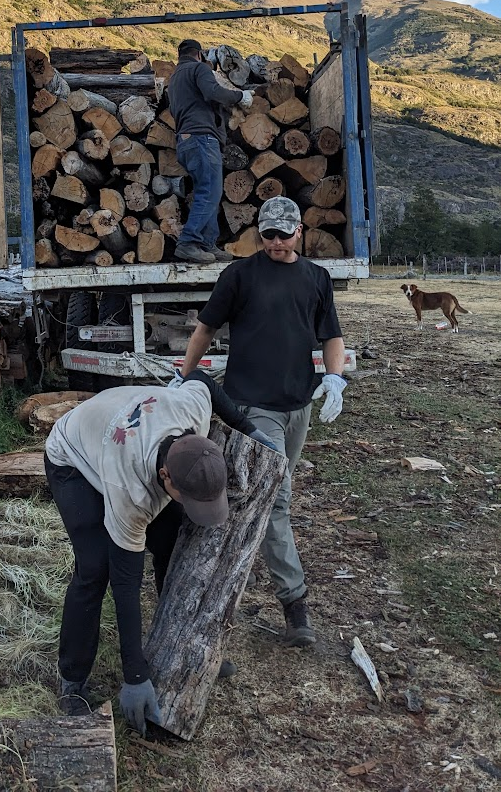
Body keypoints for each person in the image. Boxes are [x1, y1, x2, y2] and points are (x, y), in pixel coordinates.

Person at [45, 371, 275, 735]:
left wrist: (251, 430)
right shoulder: (131, 492)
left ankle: (181, 647)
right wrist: (134, 675)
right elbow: (125, 585)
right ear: (167, 477)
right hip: (73, 457)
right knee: (95, 569)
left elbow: (203, 380)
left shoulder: (192, 410)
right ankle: (72, 680)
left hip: (122, 428)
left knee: (170, 543)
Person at [179, 196, 347, 647]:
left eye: (283, 234)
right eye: (266, 234)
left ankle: (224, 552)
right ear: (259, 234)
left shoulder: (316, 278)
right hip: (253, 408)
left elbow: (331, 335)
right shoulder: (239, 275)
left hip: (299, 406)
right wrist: (187, 376)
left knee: (266, 491)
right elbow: (205, 329)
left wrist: (335, 379)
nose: (274, 242)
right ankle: (296, 607)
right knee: (276, 498)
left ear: (299, 233)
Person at [167, 38, 254, 264]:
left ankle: (207, 244)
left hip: (186, 141)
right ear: (198, 54)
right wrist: (240, 96)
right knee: (211, 192)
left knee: (206, 191)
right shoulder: (198, 69)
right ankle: (188, 242)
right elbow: (213, 91)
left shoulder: (175, 78)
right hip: (202, 138)